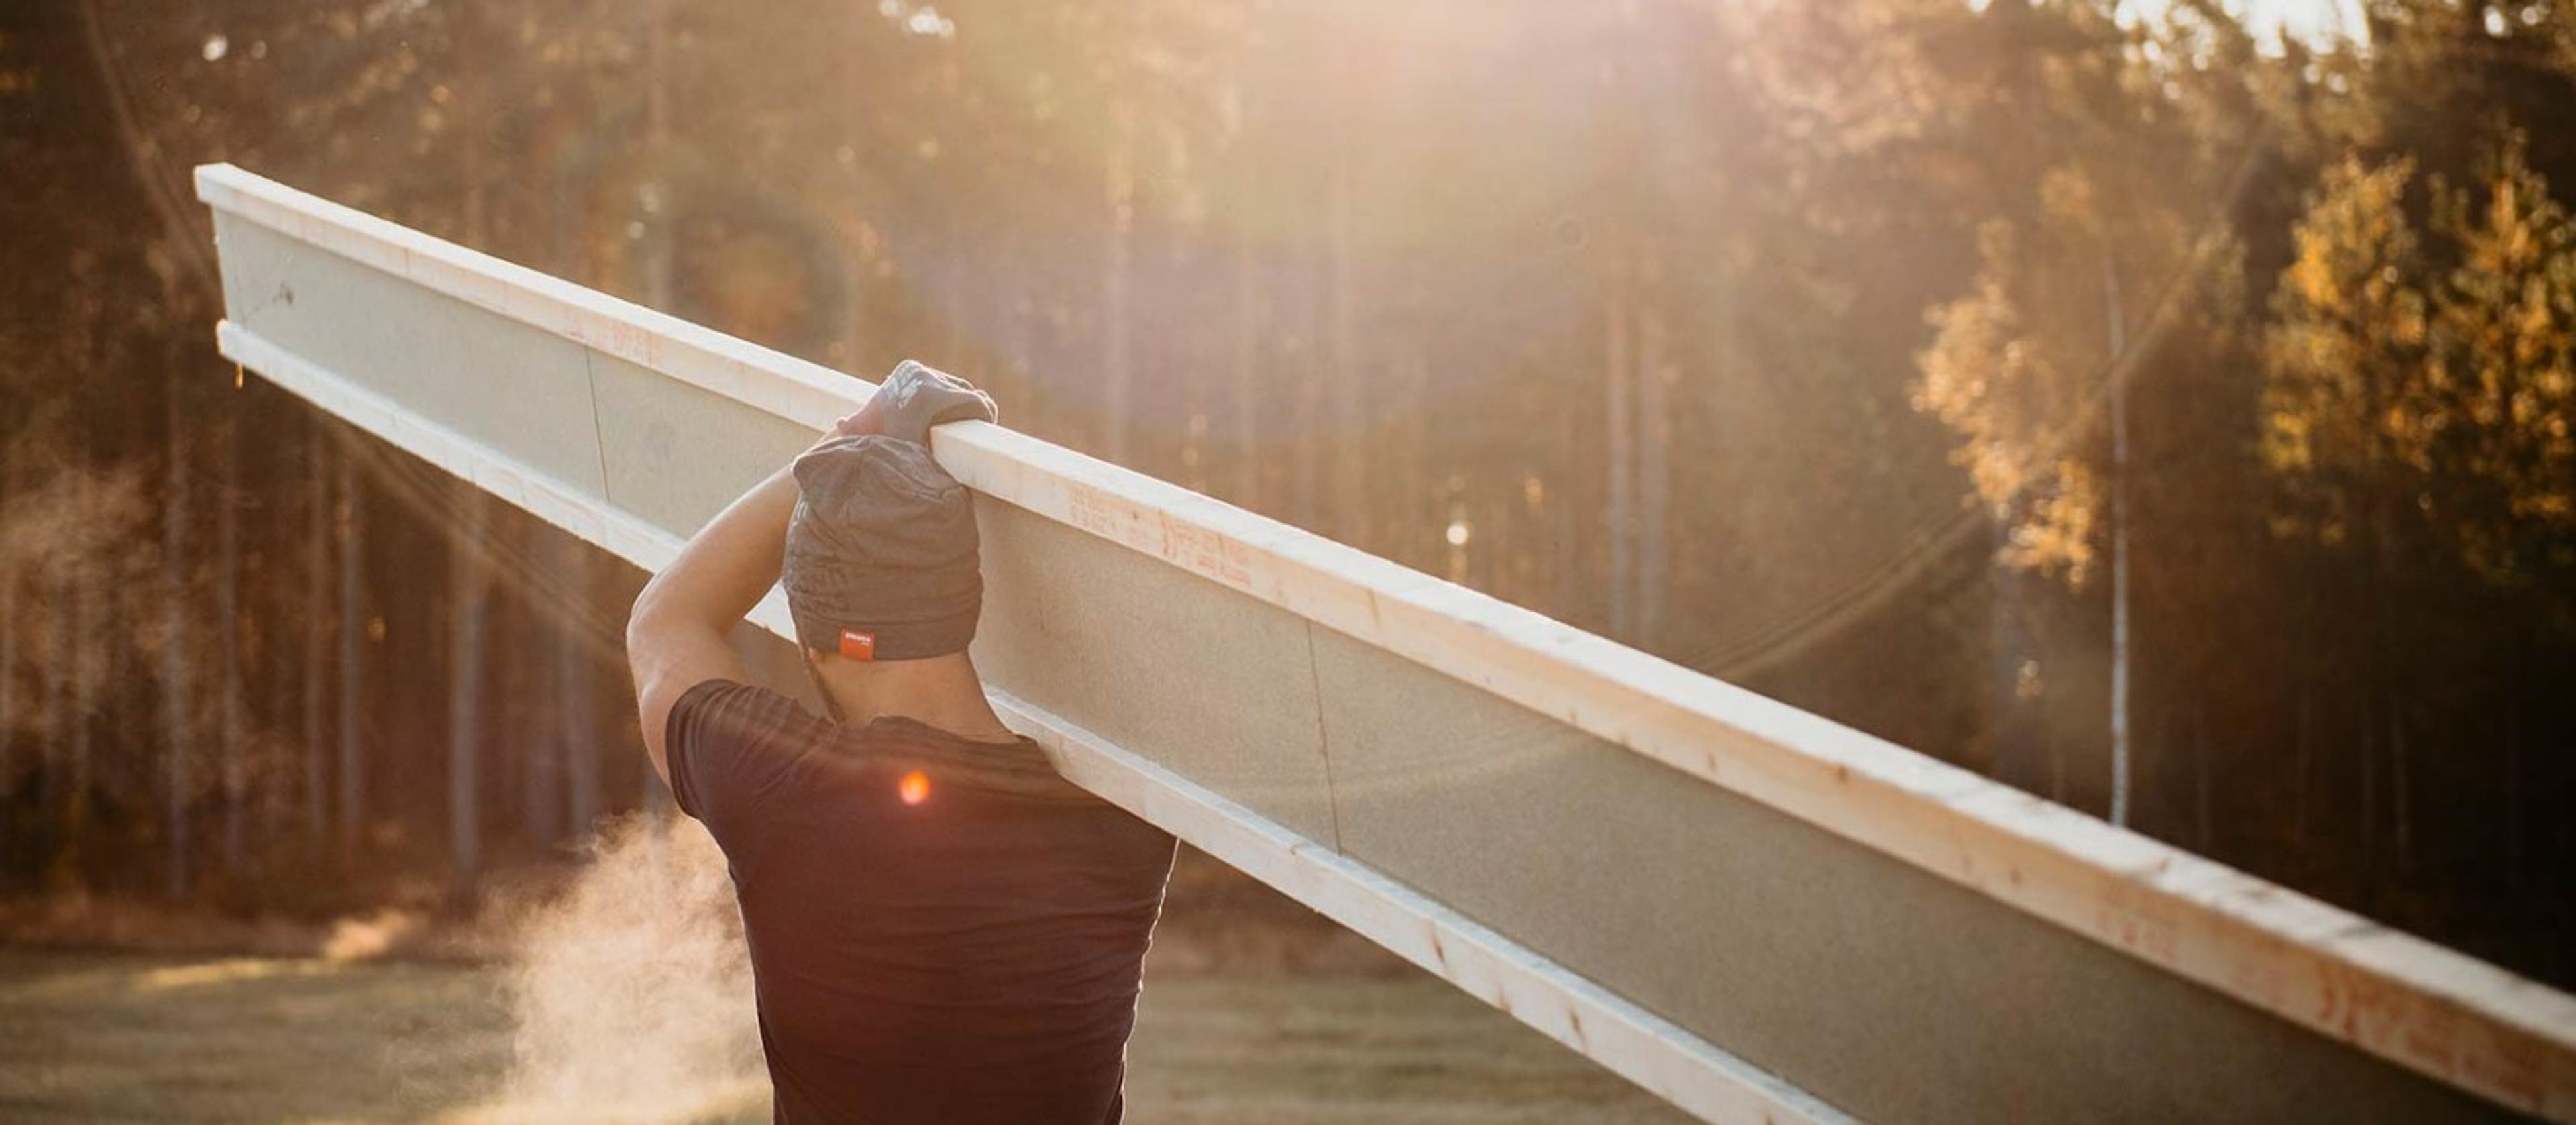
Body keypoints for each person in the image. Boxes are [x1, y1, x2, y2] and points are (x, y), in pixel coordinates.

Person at [625, 361, 1177, 1124]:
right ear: (960, 609)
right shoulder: (1125, 818)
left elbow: (663, 623)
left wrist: (849, 441)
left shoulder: (787, 792)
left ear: (821, 640)